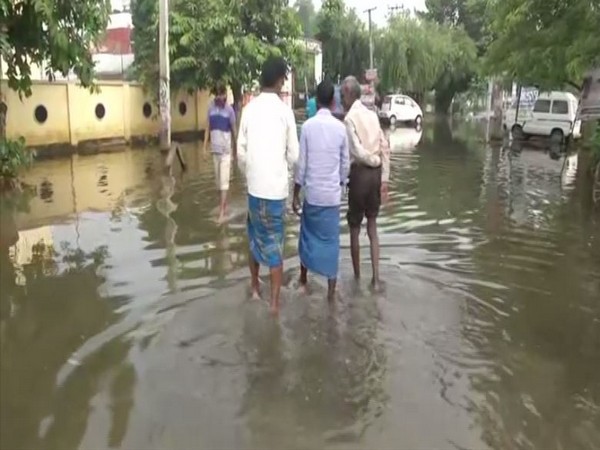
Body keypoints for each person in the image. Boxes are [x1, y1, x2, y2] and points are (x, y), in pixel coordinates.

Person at [237, 56, 299, 314]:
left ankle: (254, 288)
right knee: (274, 246)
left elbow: (240, 152)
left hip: (254, 191)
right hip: (275, 193)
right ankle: (274, 306)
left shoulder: (249, 109)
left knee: (254, 239)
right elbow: (294, 156)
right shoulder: (285, 112)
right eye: (284, 78)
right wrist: (278, 168)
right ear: (279, 79)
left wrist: (252, 173)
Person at [293, 79, 350, 302]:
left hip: (313, 195)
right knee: (330, 242)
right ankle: (330, 292)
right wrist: (339, 183)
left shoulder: (307, 127)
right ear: (334, 102)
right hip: (331, 197)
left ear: (316, 101)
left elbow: (302, 164)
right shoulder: (341, 129)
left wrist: (296, 193)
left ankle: (304, 282)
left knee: (307, 237)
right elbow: (345, 164)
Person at [340, 76, 390, 289]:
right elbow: (384, 145)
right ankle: (376, 278)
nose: (341, 99)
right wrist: (384, 177)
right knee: (372, 227)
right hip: (376, 174)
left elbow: (356, 151)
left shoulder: (349, 119)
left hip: (360, 174)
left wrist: (371, 160)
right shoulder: (372, 115)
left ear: (350, 94)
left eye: (342, 95)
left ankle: (358, 278)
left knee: (354, 228)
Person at [203, 82, 237, 223]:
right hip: (214, 151)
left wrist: (236, 151)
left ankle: (222, 213)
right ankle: (223, 205)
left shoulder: (229, 111)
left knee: (223, 182)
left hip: (225, 152)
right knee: (218, 184)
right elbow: (207, 128)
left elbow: (234, 132)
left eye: (221, 94)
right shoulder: (210, 108)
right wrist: (204, 148)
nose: (219, 97)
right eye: (217, 94)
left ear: (225, 95)